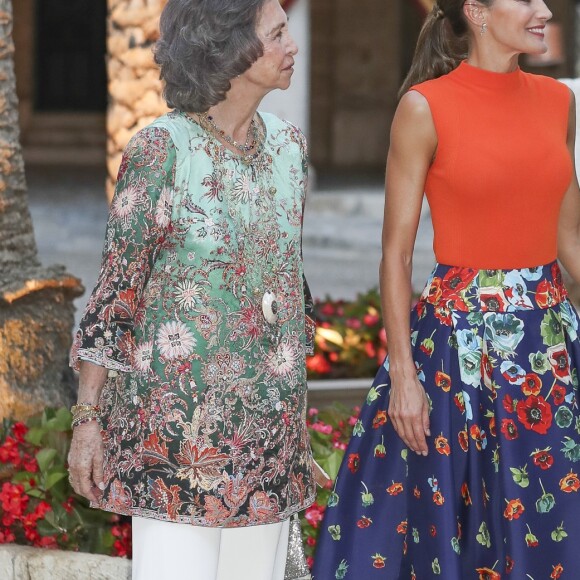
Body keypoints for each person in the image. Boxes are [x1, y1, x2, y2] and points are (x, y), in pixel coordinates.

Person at [312, 1, 580, 578]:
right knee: (459, 524)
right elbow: (396, 253)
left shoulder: (561, 102)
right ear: (477, 12)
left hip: (552, 348)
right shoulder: (424, 108)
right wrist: (404, 376)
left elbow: (571, 243)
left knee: (552, 517)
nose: (545, 10)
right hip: (457, 358)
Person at [66, 1, 317, 578]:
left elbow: (286, 287)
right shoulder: (161, 150)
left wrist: (294, 431)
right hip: (176, 448)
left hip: (268, 448)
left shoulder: (288, 148)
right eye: (277, 33)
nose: (292, 46)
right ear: (230, 48)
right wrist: (87, 420)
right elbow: (115, 297)